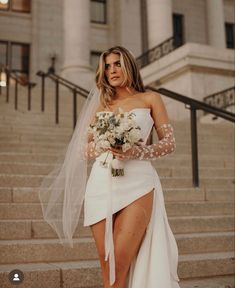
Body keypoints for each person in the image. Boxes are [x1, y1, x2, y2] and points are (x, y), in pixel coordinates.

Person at [39, 46, 180, 288]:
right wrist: (105, 145)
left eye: (117, 64)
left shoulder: (150, 99)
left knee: (118, 262)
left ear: (129, 66)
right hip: (101, 183)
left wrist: (139, 151)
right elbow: (82, 150)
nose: (111, 70)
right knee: (108, 266)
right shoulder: (101, 105)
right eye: (107, 66)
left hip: (138, 183)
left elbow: (169, 143)